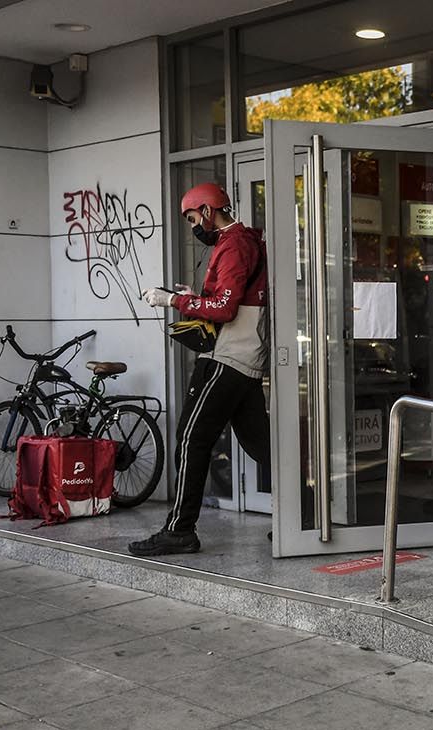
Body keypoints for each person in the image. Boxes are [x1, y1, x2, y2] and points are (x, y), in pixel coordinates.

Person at [128, 182, 269, 556]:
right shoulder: (241, 242)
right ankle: (302, 516)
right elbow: (226, 298)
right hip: (245, 360)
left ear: (207, 211)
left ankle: (180, 530)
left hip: (227, 359)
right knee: (264, 446)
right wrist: (194, 297)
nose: (194, 226)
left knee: (191, 438)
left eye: (193, 218)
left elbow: (224, 310)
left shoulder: (235, 244)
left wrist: (173, 300)